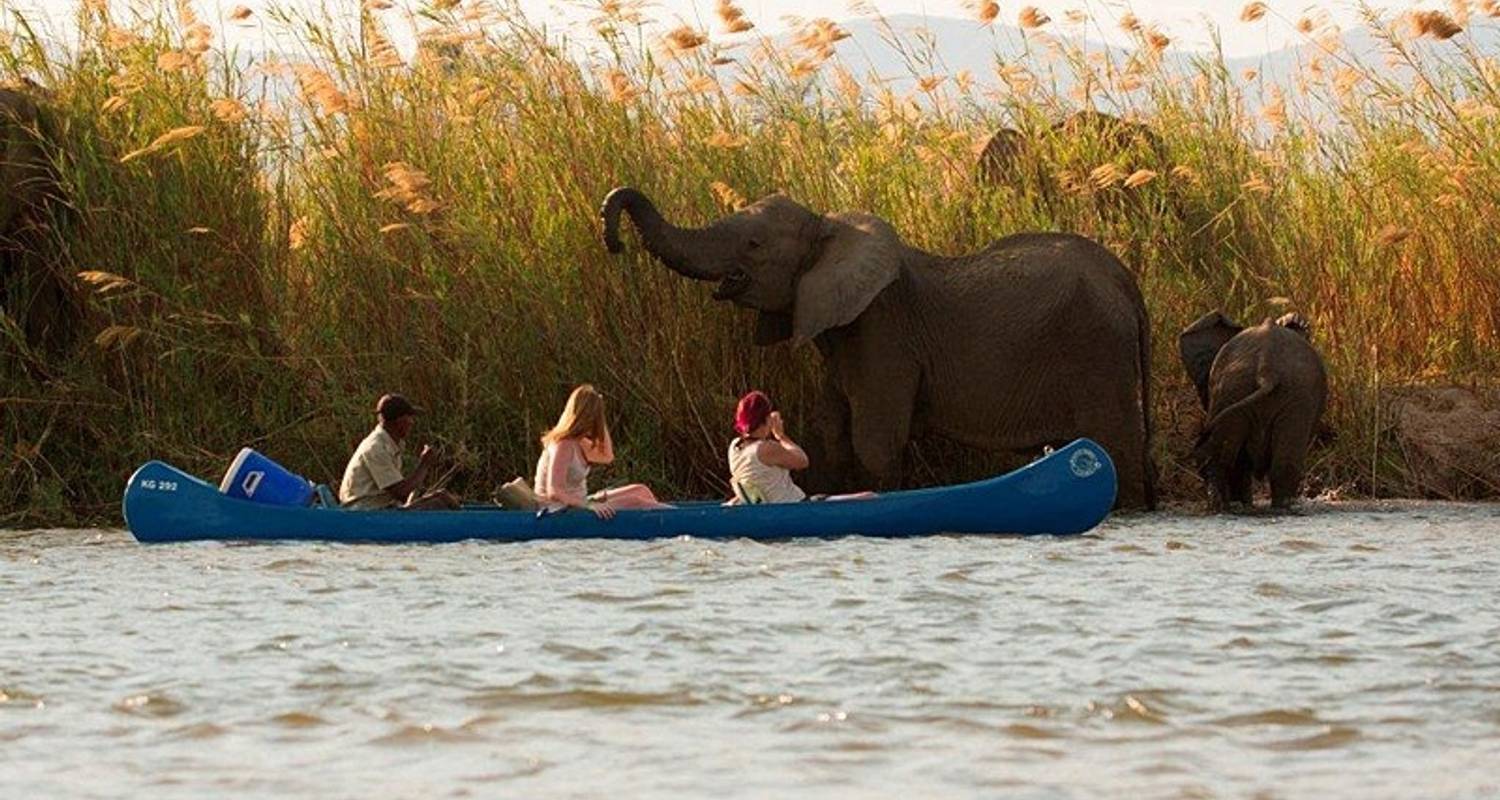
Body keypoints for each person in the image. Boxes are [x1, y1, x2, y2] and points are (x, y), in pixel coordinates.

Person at [535, 384, 671, 519]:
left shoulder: (579, 442)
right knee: (636, 502)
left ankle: (669, 517)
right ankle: (676, 517)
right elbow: (554, 491)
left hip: (580, 502)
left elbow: (607, 456)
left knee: (641, 490)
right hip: (558, 509)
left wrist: (600, 412)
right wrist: (589, 505)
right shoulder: (563, 445)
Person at [726, 390, 875, 504]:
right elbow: (803, 461)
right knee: (869, 497)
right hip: (795, 504)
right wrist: (780, 436)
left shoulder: (735, 446)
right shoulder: (766, 448)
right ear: (765, 419)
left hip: (768, 507)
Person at [338, 393, 460, 510]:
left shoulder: (389, 444)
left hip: (380, 509)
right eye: (409, 417)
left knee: (441, 497)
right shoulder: (376, 448)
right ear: (400, 421)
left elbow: (401, 493)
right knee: (439, 502)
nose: (412, 422)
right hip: (364, 512)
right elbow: (400, 493)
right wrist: (424, 464)